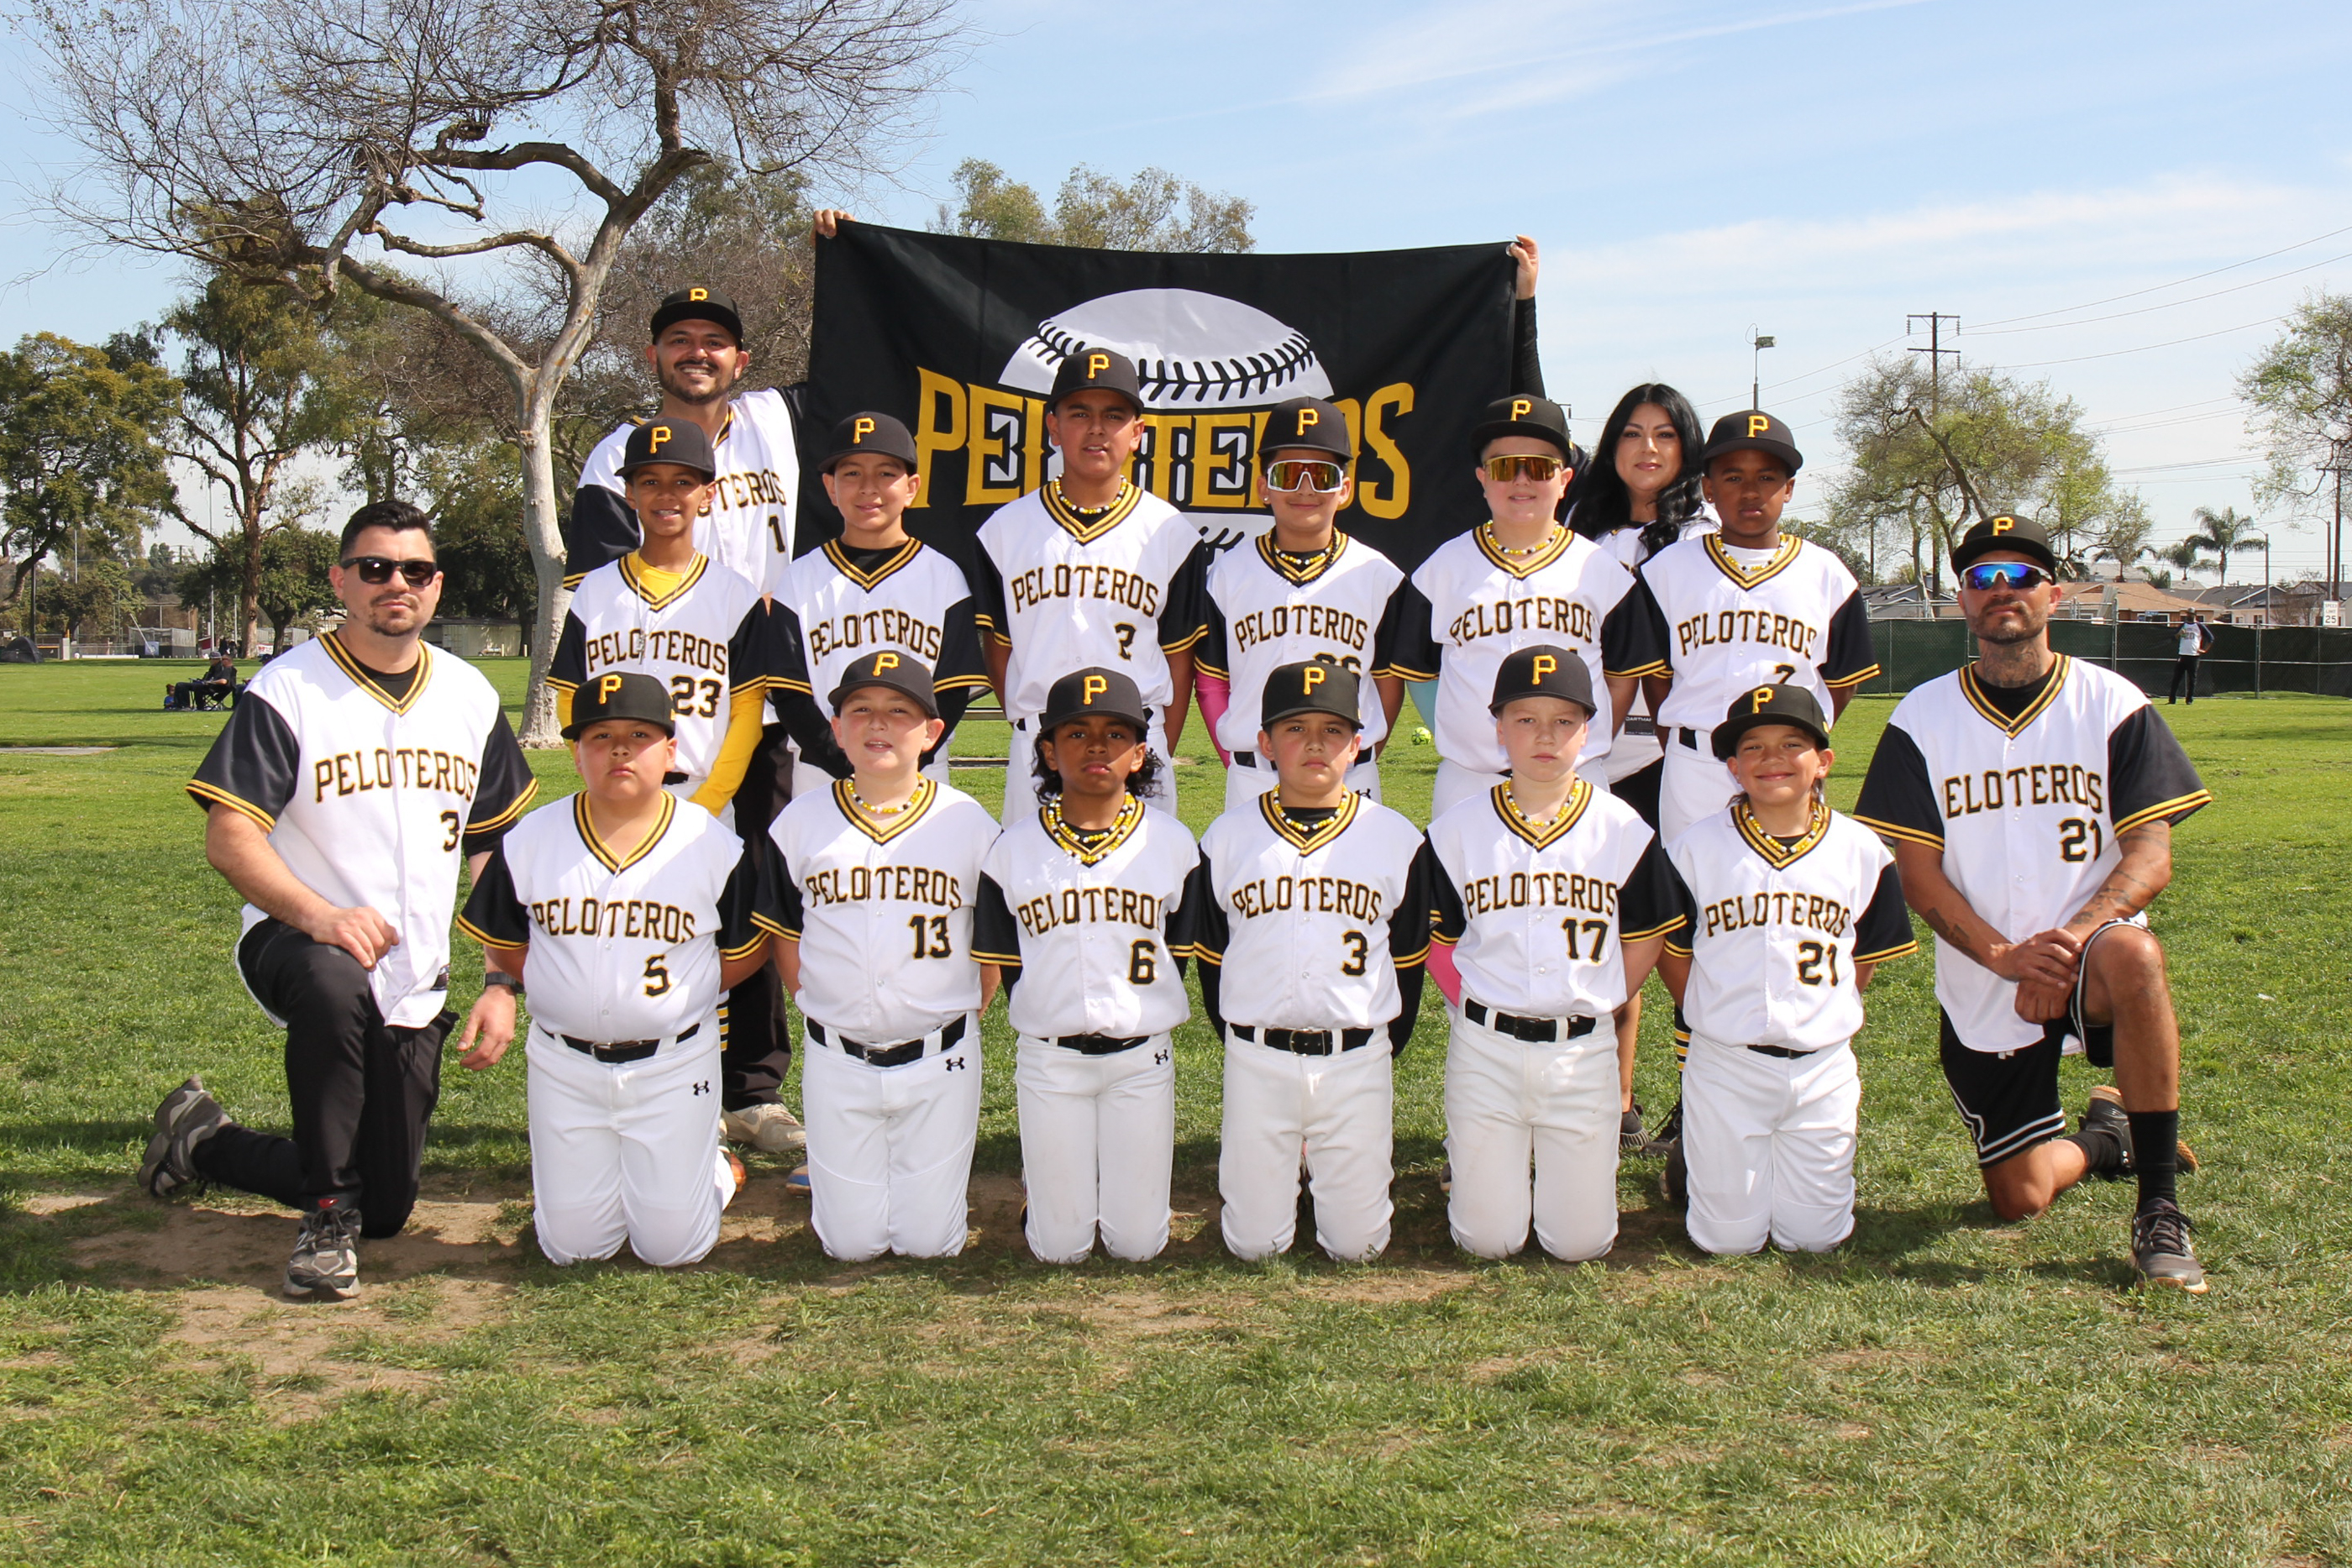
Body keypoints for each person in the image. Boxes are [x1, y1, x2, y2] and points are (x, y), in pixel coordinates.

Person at [139, 500, 538, 1300]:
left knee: (384, 1206)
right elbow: (230, 837)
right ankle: (324, 1220)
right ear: (341, 580)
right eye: (376, 568)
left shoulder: (467, 695)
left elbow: (495, 853)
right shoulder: (289, 688)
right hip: (294, 936)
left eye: (415, 570)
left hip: (413, 974)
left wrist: (502, 979)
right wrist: (319, 916)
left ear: (436, 585)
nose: (397, 583)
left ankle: (203, 1140)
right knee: (333, 977)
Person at [1854, 515, 2213, 1291]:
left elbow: (2151, 856)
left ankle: (2159, 1207)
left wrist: (2068, 942)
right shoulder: (1922, 716)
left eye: (2020, 576)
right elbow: (1917, 874)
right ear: (1962, 601)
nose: (2001, 590)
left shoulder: (2111, 702)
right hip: (1987, 977)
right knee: (2018, 1197)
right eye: (1982, 578)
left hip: (2090, 954)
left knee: (2136, 954)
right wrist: (2005, 956)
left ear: (2054, 595)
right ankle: (2107, 1138)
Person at [563, 282, 810, 1144]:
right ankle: (652, 1065)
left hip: (754, 716)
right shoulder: (613, 455)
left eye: (714, 340)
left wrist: (839, 249)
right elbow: (599, 594)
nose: (696, 352)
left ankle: (751, 1090)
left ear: (742, 359)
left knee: (752, 894)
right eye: (679, 339)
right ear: (652, 356)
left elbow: (865, 356)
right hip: (647, 727)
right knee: (652, 897)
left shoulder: (778, 424)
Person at [454, 673, 776, 1267]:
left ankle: (713, 1167)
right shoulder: (531, 839)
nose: (620, 749)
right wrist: (553, 986)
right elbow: (508, 941)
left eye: (639, 735)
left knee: (673, 1248)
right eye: (600, 737)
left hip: (674, 1062)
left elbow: (746, 950)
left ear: (672, 751)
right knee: (573, 1248)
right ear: (576, 754)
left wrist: (685, 993)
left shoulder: (712, 845)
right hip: (564, 1063)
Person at [1420, 647, 1682, 1261]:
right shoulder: (1457, 829)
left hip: (1581, 1049)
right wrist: (1477, 1001)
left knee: (1581, 1243)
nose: (1545, 735)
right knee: (1487, 1240)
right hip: (1486, 1049)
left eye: (1564, 720)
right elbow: (1437, 938)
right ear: (1498, 727)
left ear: (1588, 730)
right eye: (1525, 719)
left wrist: (1607, 994)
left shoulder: (1622, 828)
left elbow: (1648, 930)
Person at [1656, 685, 1917, 1255]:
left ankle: (1726, 1160)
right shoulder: (1693, 849)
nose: (1771, 758)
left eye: (1792, 744)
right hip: (1727, 1062)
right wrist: (1711, 1012)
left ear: (1823, 760)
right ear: (1733, 767)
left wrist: (1821, 1013)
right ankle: (1694, 1158)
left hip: (1823, 1066)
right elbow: (1673, 952)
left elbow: (1864, 958)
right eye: (1752, 747)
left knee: (1813, 1239)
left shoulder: (1863, 850)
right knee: (1727, 1240)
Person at [1189, 660, 1432, 1261]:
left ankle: (1336, 1181)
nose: (1316, 744)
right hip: (1258, 1058)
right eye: (1295, 729)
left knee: (1359, 1246)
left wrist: (1380, 1044)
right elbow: (1213, 960)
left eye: (1333, 730)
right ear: (1266, 743)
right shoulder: (1226, 838)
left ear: (1357, 744)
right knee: (1253, 1245)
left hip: (1356, 1058)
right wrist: (1241, 1036)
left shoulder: (1396, 839)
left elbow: (1408, 961)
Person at [767, 650, 1000, 1261]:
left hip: (940, 1055)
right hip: (837, 1057)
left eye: (900, 711)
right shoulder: (801, 821)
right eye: (860, 710)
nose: (878, 724)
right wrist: (810, 998)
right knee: (849, 1244)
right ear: (837, 729)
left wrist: (967, 1008)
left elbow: (992, 940)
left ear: (932, 731)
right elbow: (784, 930)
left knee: (930, 1244)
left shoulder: (967, 821)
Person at [973, 668, 1198, 1263]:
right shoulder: (1012, 849)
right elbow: (1010, 963)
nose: (1097, 746)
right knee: (1059, 1248)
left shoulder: (1174, 845)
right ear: (1048, 751)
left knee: (1138, 1246)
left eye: (1115, 734)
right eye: (1077, 733)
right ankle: (1054, 1204)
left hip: (1141, 1058)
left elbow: (1177, 952)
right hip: (1051, 1060)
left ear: (1140, 753)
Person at [1604, 410, 1879, 846]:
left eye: (1767, 477)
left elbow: (1842, 681)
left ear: (1789, 488)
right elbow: (1656, 678)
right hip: (1695, 765)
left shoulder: (1827, 574)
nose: (1751, 491)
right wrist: (1681, 742)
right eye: (1733, 477)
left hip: (1785, 768)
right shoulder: (1666, 571)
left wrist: (1799, 739)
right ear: (1708, 488)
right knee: (1692, 883)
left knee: (1786, 881)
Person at [1564, 383, 1719, 1150]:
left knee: (1684, 934)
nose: (1647, 448)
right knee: (1606, 927)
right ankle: (1615, 1102)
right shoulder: (1577, 524)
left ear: (1687, 447)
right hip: (1589, 755)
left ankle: (1702, 1096)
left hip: (1668, 758)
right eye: (1631, 432)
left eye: (1664, 434)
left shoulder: (1704, 533)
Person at [972, 348, 1212, 821]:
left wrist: (1152, 745)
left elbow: (1179, 659)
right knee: (1033, 867)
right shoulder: (1004, 530)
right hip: (1039, 739)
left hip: (1136, 737)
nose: (1097, 428)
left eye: (1114, 415)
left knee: (1142, 869)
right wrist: (1033, 727)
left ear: (1137, 433)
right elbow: (999, 650)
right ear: (1054, 426)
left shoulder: (1171, 533)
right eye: (1080, 413)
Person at [1389, 395, 1643, 819]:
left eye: (1539, 468)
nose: (1521, 481)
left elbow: (1622, 677)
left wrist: (1582, 742)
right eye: (1505, 467)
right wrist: (1463, 736)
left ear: (1564, 479)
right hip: (1470, 781)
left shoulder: (1602, 571)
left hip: (1576, 780)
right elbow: (1418, 672)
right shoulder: (1442, 569)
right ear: (1482, 478)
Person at [1194, 396, 1411, 814]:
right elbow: (1211, 682)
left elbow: (1388, 683)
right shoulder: (1226, 574)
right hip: (1254, 776)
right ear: (1264, 487)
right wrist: (1237, 758)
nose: (1306, 489)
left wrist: (1352, 757)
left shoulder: (1379, 576)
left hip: (1351, 777)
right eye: (1289, 474)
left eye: (1323, 476)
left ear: (1344, 489)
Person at [771, 412, 991, 800]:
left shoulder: (943, 576)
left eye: (886, 473)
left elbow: (953, 689)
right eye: (852, 473)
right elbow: (789, 693)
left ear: (911, 487)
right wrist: (846, 762)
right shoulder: (799, 578)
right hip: (821, 777)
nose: (868, 487)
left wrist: (904, 760)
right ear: (830, 487)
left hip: (921, 772)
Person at [2168, 611, 2213, 705]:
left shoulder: (2199, 626)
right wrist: (2179, 634)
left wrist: (2204, 650)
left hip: (2193, 656)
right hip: (2182, 654)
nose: (2189, 616)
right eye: (2188, 614)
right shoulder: (2183, 625)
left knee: (2192, 679)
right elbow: (2174, 638)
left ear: (2194, 615)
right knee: (2176, 678)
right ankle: (2172, 700)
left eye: (2191, 614)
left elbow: (2211, 638)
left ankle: (2189, 700)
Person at [171, 652, 242, 711]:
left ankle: (188, 706)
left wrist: (209, 682)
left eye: (223, 659)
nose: (210, 660)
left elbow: (223, 681)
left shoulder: (227, 669)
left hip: (214, 688)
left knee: (186, 686)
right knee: (180, 685)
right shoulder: (215, 668)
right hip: (208, 686)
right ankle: (179, 705)